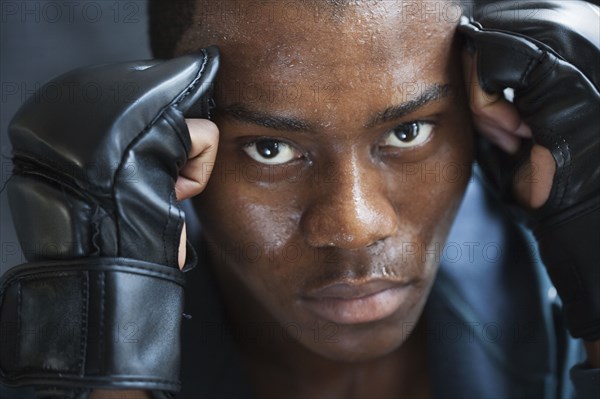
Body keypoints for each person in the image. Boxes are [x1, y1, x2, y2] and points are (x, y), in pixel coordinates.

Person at [0, 1, 598, 398]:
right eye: (271, 149)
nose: (354, 225)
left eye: (406, 132)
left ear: (478, 111)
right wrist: (108, 375)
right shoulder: (42, 356)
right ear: (179, 138)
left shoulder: (557, 295)